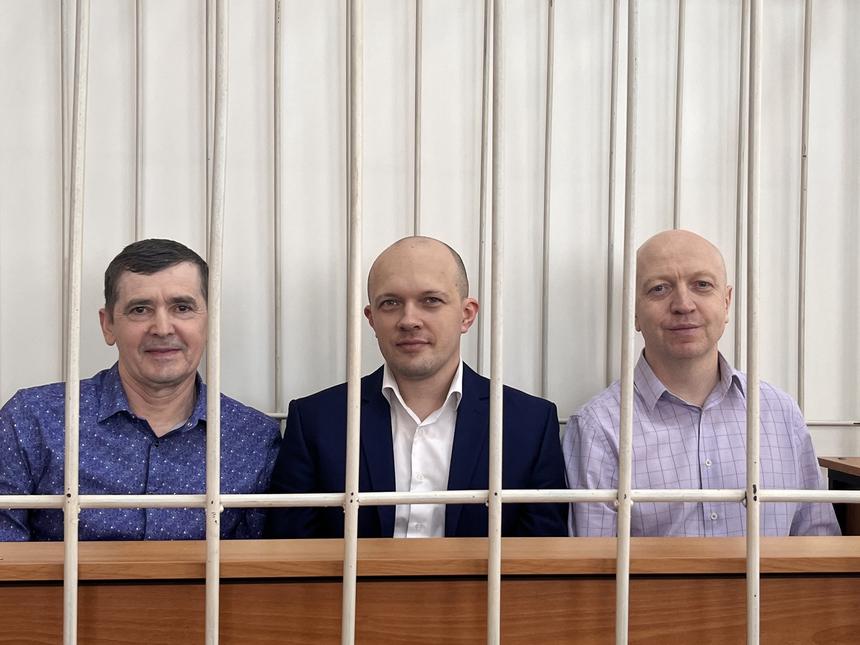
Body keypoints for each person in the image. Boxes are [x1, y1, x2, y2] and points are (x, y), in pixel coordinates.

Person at [266, 236, 567, 538]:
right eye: (391, 303)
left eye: (431, 301)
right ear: (371, 319)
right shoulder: (316, 421)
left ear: (467, 314)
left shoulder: (529, 424)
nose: (409, 320)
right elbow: (290, 558)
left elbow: (540, 564)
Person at [564, 229, 840, 537]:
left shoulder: (780, 413)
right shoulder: (598, 427)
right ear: (635, 312)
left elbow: (818, 545)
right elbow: (593, 571)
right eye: (659, 289)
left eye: (702, 285)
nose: (683, 304)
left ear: (726, 302)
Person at [0, 239, 281, 540]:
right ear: (107, 325)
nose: (162, 328)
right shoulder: (33, 419)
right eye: (140, 309)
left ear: (209, 321)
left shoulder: (253, 438)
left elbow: (256, 575)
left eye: (182, 307)